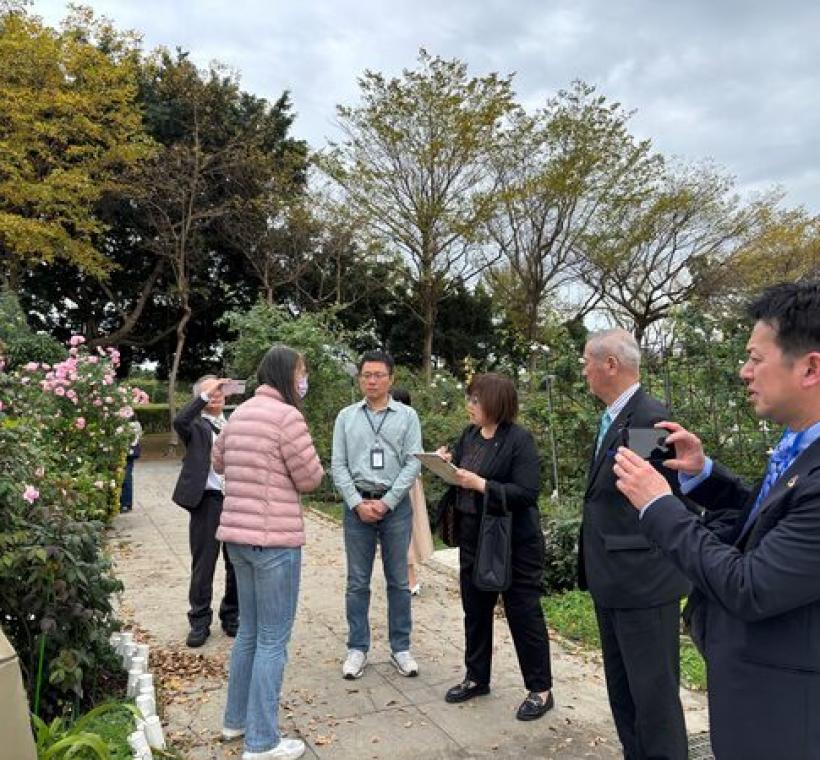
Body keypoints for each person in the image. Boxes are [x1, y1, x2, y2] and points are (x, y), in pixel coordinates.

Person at [613, 281, 820, 760]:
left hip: (787, 714)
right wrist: (704, 475)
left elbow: (752, 583)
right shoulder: (799, 445)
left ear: (809, 368)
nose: (743, 372)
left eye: (755, 358)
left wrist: (657, 504)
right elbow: (772, 520)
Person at [578, 329, 689, 759]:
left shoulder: (649, 419)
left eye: (588, 360)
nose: (584, 369)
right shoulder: (614, 416)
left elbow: (657, 494)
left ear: (611, 364)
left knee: (654, 700)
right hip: (612, 580)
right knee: (624, 694)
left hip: (643, 583)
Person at [214, 345, 323, 760]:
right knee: (273, 640)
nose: (304, 378)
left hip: (237, 542)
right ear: (285, 375)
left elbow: (218, 460)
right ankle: (262, 742)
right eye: (301, 371)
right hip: (275, 543)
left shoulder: (239, 413)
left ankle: (235, 720)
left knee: (249, 633)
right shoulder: (287, 417)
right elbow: (310, 477)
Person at [438, 373, 554, 721]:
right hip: (474, 536)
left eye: (476, 400)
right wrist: (444, 463)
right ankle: (476, 677)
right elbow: (461, 474)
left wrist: (483, 485)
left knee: (523, 613)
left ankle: (540, 689)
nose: (469, 406)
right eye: (469, 399)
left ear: (495, 403)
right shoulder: (470, 435)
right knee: (475, 611)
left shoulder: (519, 440)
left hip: (512, 542)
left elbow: (527, 493)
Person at [331, 350, 423, 679]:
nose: (372, 381)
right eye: (366, 375)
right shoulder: (346, 417)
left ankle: (401, 647)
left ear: (391, 379)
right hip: (357, 507)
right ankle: (357, 647)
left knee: (399, 581)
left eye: (378, 375)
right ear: (360, 379)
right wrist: (357, 502)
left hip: (394, 508)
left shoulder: (407, 416)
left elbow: (414, 462)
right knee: (357, 582)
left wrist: (387, 503)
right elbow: (338, 465)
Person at [172, 376, 239, 647]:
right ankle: (199, 621)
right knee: (204, 564)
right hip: (207, 501)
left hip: (235, 500)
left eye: (220, 390)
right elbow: (179, 421)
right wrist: (201, 397)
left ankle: (232, 615)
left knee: (236, 562)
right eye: (209, 392)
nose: (216, 395)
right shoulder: (194, 425)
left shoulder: (235, 423)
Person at [391, 387, 434, 595]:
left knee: (408, 533)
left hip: (408, 487)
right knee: (402, 534)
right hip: (398, 487)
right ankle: (406, 578)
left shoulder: (408, 424)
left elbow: (416, 455)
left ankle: (408, 578)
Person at [120, 418, 143, 513]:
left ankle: (125, 503)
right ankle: (124, 503)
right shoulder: (135, 424)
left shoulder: (133, 425)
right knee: (125, 476)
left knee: (126, 477)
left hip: (128, 451)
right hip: (126, 451)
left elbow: (134, 440)